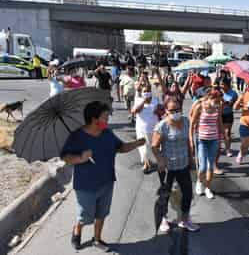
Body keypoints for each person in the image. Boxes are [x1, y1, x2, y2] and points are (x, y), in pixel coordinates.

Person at [61, 101, 145, 251]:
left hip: (107, 181)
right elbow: (66, 157)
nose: (108, 120)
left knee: (101, 214)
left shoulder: (107, 133)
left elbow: (121, 148)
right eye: (105, 117)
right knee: (85, 216)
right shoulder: (77, 136)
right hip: (86, 185)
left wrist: (137, 143)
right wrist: (81, 158)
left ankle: (97, 239)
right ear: (94, 119)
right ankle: (77, 230)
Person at [152, 98, 200, 232]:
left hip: (183, 164)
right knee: (165, 195)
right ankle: (163, 219)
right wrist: (160, 161)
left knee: (188, 193)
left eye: (178, 109)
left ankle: (185, 219)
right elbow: (154, 146)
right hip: (168, 168)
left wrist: (191, 157)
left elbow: (188, 141)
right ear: (166, 111)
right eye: (172, 110)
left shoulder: (186, 121)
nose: (175, 112)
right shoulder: (162, 126)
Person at [190, 89, 225, 199]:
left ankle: (208, 188)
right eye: (216, 100)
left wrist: (224, 136)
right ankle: (200, 182)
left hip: (214, 140)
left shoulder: (217, 108)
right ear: (210, 97)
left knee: (211, 166)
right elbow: (192, 124)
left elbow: (219, 123)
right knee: (203, 167)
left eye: (219, 100)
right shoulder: (200, 107)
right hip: (202, 140)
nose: (218, 102)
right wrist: (191, 140)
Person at [132, 86, 161, 174]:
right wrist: (143, 101)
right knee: (143, 148)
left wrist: (159, 110)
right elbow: (134, 111)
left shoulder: (155, 100)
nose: (147, 92)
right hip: (141, 129)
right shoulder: (138, 100)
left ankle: (154, 163)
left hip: (154, 128)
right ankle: (146, 163)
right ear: (141, 92)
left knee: (153, 147)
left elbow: (161, 111)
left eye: (148, 91)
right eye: (145, 91)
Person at [220, 78, 238, 157]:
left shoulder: (233, 93)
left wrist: (222, 100)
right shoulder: (218, 92)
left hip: (228, 114)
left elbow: (230, 104)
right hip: (219, 115)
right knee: (219, 133)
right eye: (220, 84)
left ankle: (228, 150)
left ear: (227, 85)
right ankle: (219, 147)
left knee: (227, 132)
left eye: (222, 84)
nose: (221, 86)